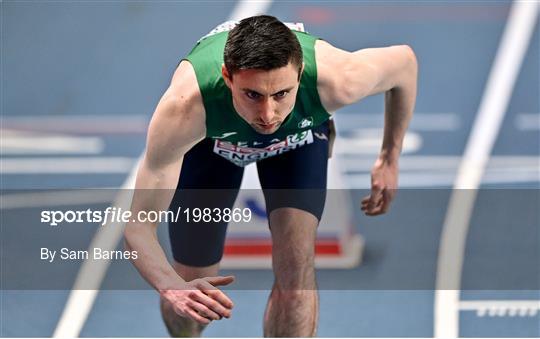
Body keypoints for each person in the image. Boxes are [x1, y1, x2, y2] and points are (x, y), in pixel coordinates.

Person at [124, 15, 417, 337]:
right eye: (252, 95)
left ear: (300, 74)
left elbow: (404, 63)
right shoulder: (185, 109)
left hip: (297, 139)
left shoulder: (339, 79)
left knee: (296, 270)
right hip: (210, 147)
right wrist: (171, 288)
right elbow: (139, 229)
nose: (268, 115)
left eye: (280, 94)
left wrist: (389, 157)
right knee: (193, 283)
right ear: (227, 77)